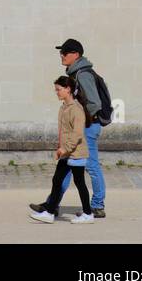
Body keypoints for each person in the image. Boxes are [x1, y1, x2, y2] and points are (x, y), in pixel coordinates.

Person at [41, 38, 106, 218]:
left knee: (91, 167)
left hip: (88, 127)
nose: (61, 55)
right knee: (66, 167)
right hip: (84, 126)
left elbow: (94, 103)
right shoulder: (75, 73)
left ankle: (97, 206)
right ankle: (51, 204)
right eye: (61, 52)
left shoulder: (83, 74)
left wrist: (78, 119)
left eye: (65, 53)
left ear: (76, 55)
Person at [29, 76, 94, 224]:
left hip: (76, 153)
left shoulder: (76, 109)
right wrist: (61, 147)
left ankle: (88, 214)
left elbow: (77, 134)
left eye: (59, 90)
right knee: (57, 180)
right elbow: (63, 131)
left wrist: (65, 148)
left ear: (68, 89)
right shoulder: (64, 108)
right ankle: (50, 212)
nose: (56, 93)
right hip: (66, 153)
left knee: (79, 183)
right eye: (56, 90)